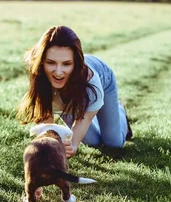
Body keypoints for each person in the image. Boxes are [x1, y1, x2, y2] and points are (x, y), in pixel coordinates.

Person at [18, 25, 132, 158]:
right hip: (68, 96)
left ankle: (119, 110)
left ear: (75, 63)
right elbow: (46, 119)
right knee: (92, 142)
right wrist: (48, 143)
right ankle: (91, 108)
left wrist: (73, 144)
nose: (58, 72)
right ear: (42, 61)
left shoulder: (90, 80)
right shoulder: (37, 71)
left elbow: (85, 119)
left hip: (103, 79)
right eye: (51, 62)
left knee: (113, 143)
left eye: (66, 64)